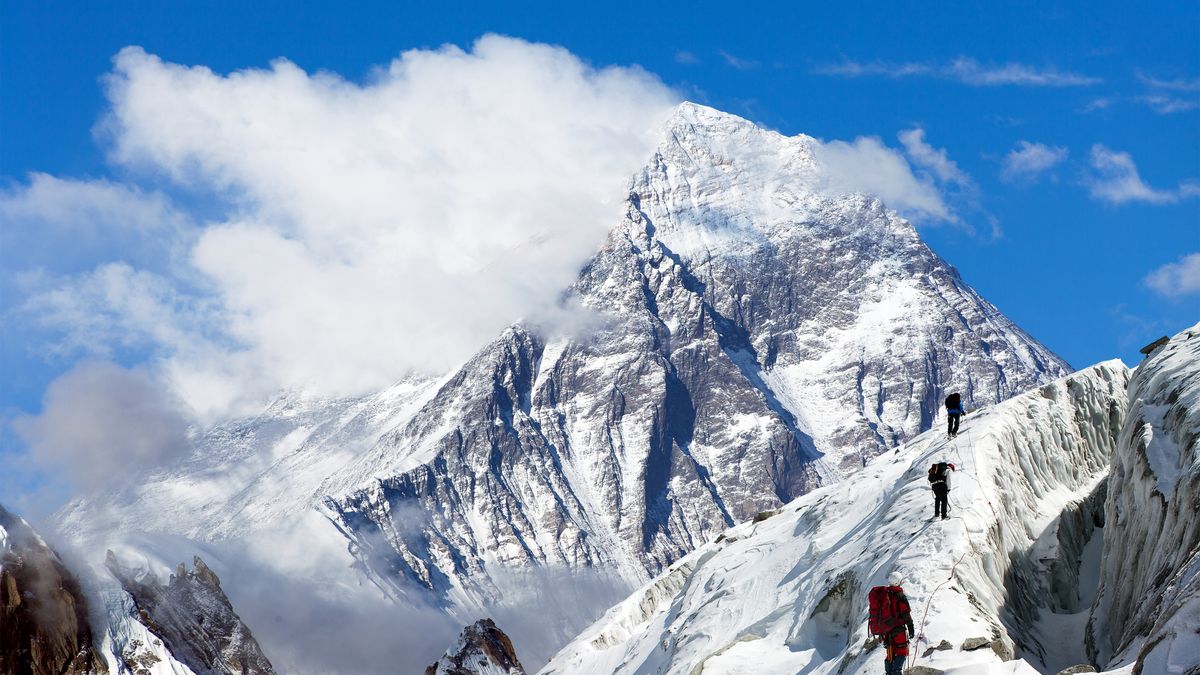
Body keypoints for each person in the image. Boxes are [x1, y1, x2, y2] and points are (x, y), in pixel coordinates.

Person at [868, 574, 915, 675]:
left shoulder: (885, 594)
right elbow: (906, 613)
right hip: (899, 630)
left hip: (887, 631)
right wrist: (911, 628)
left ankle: (889, 672)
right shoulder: (899, 595)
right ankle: (896, 672)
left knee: (891, 653)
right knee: (902, 651)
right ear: (898, 582)